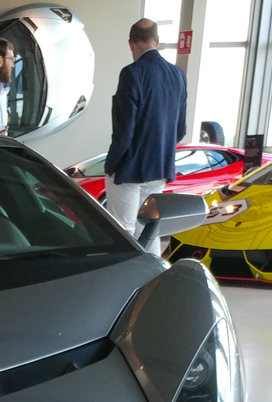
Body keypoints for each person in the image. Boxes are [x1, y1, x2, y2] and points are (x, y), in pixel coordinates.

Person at [104, 19, 187, 256]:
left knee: (122, 231)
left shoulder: (131, 73)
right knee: (149, 229)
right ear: (157, 41)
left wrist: (111, 165)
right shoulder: (178, 75)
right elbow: (180, 129)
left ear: (131, 43)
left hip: (129, 167)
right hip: (159, 167)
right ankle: (154, 274)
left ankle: (124, 276)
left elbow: (125, 129)